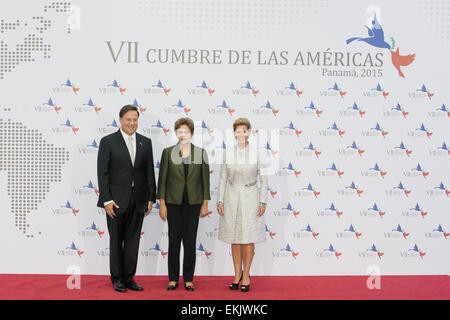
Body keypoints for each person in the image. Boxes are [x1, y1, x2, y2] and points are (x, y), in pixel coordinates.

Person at [97, 105, 156, 293]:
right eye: (128, 119)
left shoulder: (145, 142)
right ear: (120, 120)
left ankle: (129, 277)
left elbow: (148, 173)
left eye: (135, 120)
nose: (132, 123)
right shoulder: (108, 141)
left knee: (132, 241)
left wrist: (150, 198)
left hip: (138, 200)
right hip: (115, 202)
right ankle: (117, 279)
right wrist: (106, 200)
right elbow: (102, 173)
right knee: (116, 241)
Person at [156, 117, 210, 291]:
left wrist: (205, 204)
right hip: (173, 203)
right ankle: (173, 279)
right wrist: (162, 204)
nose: (183, 135)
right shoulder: (167, 152)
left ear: (191, 133)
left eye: (186, 132)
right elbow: (162, 181)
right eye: (180, 132)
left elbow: (205, 181)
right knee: (173, 242)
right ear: (176, 133)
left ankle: (188, 279)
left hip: (193, 204)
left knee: (189, 242)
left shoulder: (201, 153)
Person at [217, 118, 268, 292]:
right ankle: (237, 274)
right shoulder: (227, 153)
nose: (241, 134)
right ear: (234, 134)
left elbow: (263, 179)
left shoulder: (256, 153)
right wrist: (220, 200)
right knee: (235, 238)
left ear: (249, 133)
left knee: (248, 238)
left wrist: (263, 200)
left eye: (244, 131)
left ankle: (247, 275)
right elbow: (223, 177)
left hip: (251, 197)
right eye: (238, 131)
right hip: (231, 198)